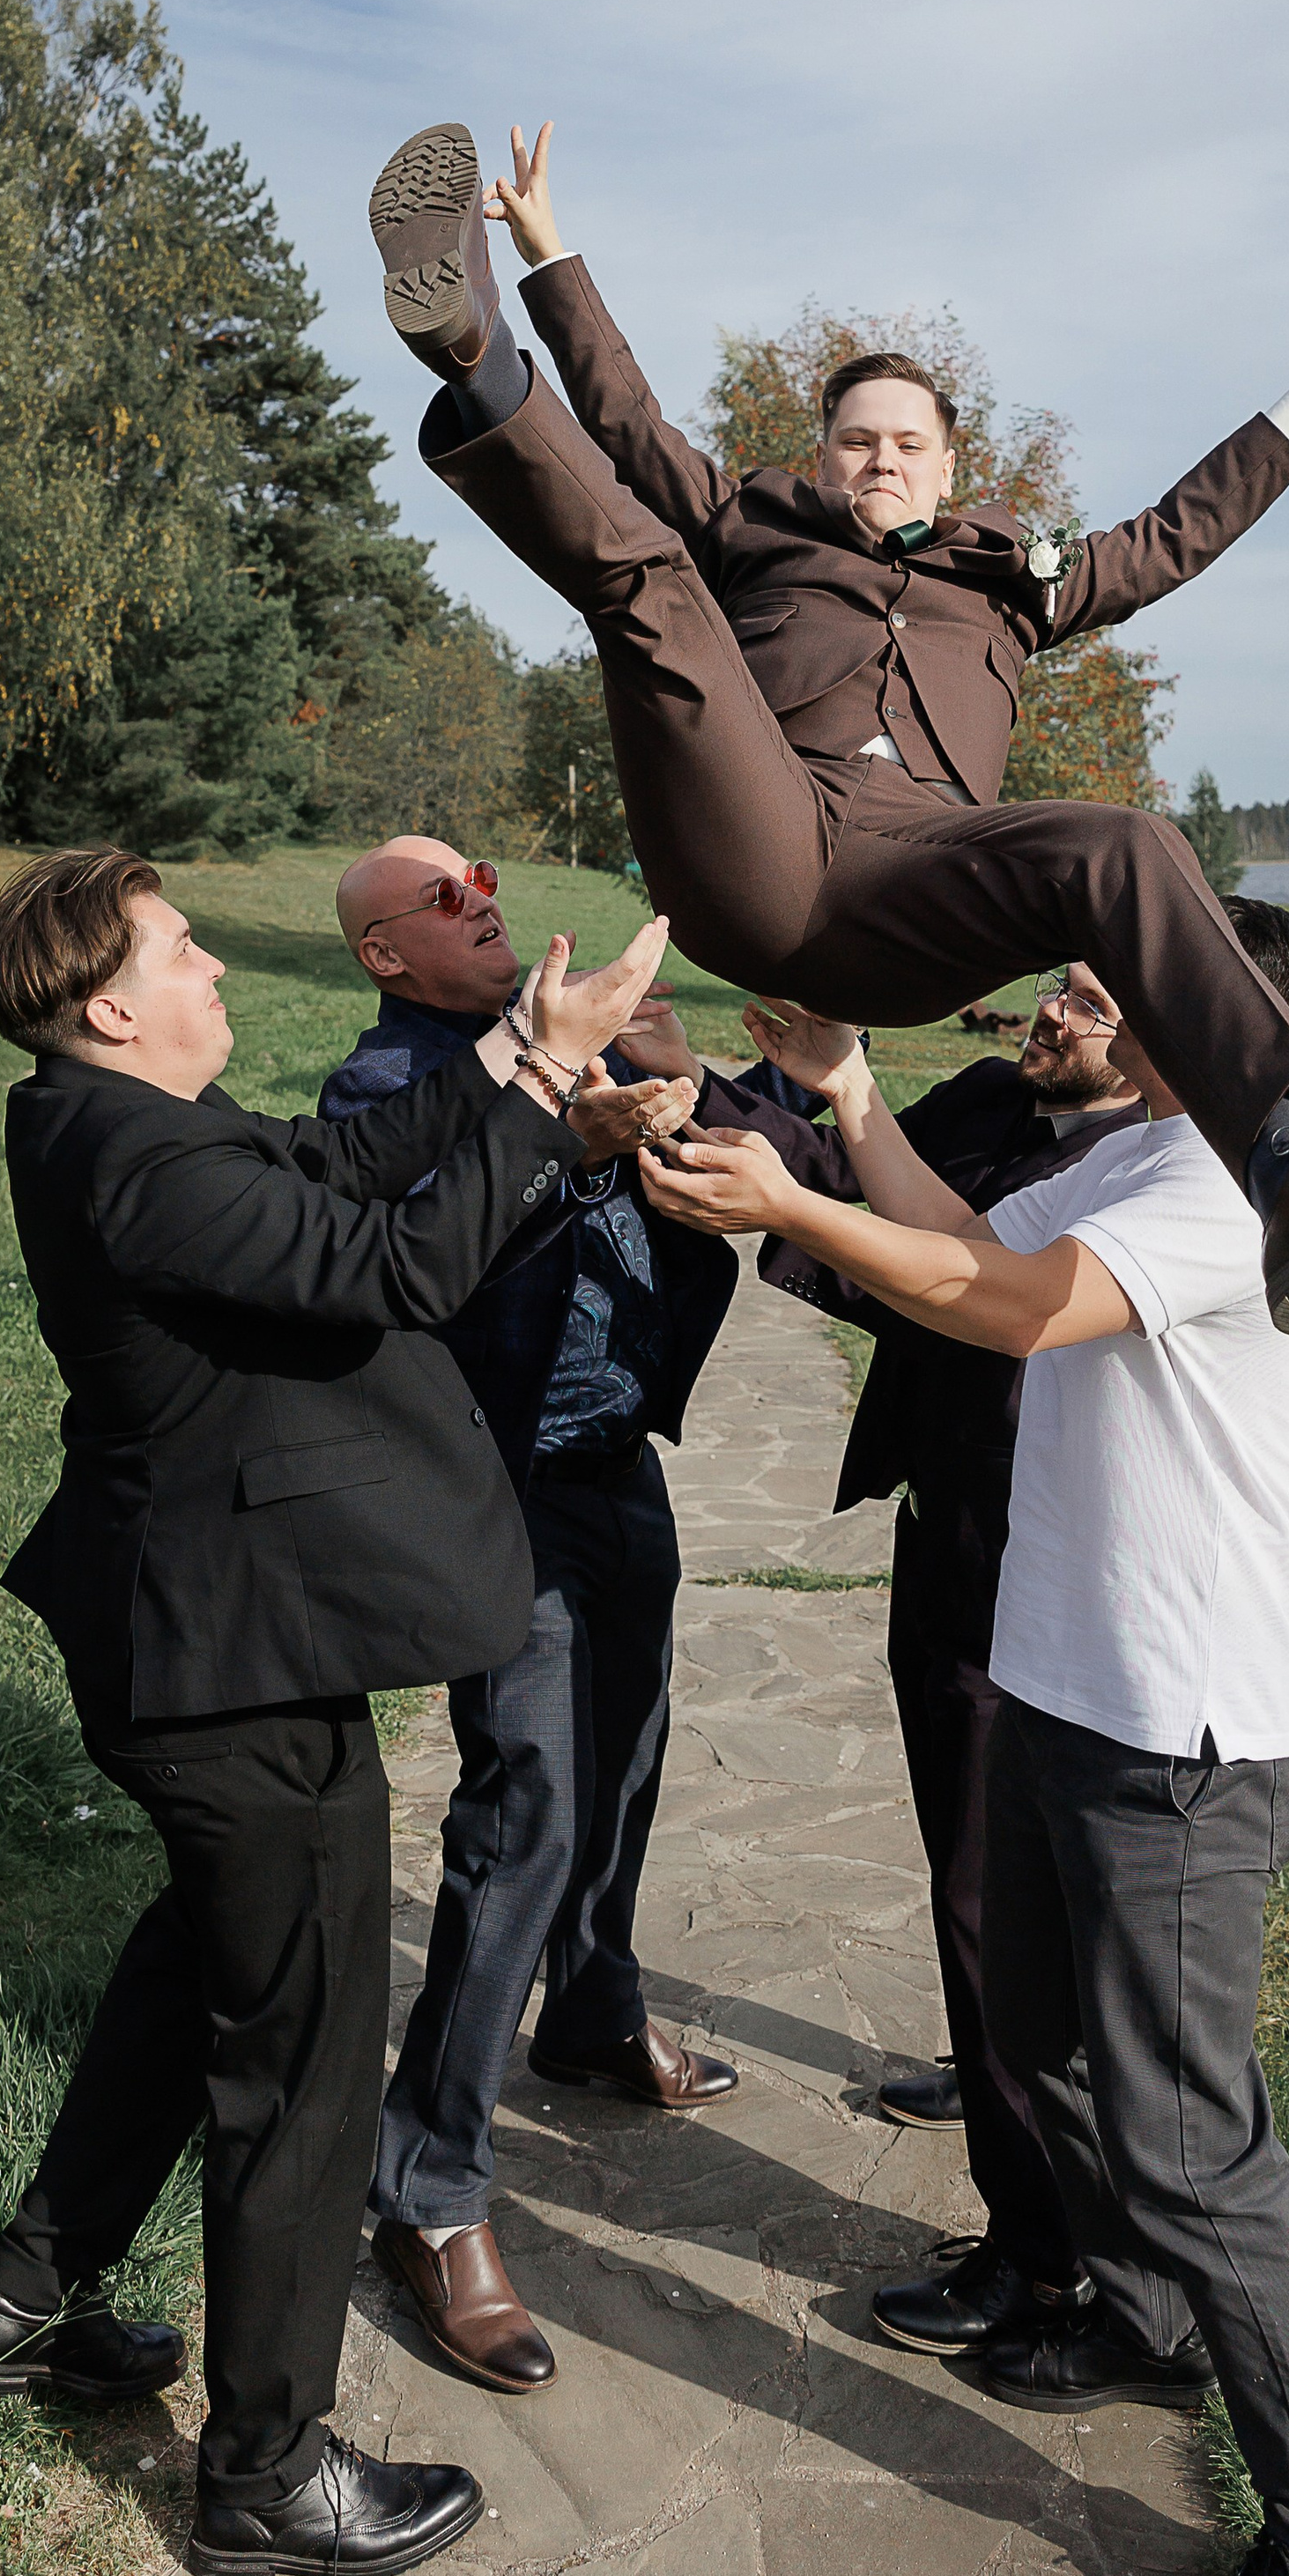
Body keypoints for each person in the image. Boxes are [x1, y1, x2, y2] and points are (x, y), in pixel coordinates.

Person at [363, 116, 1289, 1341]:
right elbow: (628, 426)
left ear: (949, 470)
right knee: (650, 585)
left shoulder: (1019, 581)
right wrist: (549, 259)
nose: (878, 460)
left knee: (1125, 842)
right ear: (823, 457)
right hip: (757, 834)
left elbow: (1177, 534)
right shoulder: (752, 530)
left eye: (906, 444)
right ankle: (468, 350)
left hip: (914, 896)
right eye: (854, 441)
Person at [636, 908, 1289, 2576]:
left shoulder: (1219, 1197)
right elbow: (966, 1240)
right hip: (1062, 1690)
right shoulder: (1137, 1163)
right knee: (1037, 2042)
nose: (1073, 997)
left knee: (1192, 2141)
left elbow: (1017, 1310)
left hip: (1178, 1735)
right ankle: (1133, 2320)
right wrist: (845, 1099)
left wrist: (792, 1195)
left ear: (1216, 1023)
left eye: (1130, 984)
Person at [0, 847, 666, 2576]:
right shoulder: (132, 1157)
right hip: (228, 1669)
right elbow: (389, 1271)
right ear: (108, 1001)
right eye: (184, 953)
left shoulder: (118, 1124)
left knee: (193, 1971)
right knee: (303, 2060)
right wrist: (554, 1086)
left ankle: (21, 2299)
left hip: (194, 1642)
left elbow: (339, 1163)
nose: (216, 975)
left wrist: (512, 1057)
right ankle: (266, 2475)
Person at [619, 952, 1146, 2332]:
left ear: (1165, 1036)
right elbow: (856, 1188)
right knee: (972, 1881)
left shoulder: (1149, 1174)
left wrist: (810, 1160)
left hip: (1042, 1564)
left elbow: (970, 1275)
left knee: (996, 1898)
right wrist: (699, 1091)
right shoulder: (993, 1094)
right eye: (1062, 984)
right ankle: (1005, 2100)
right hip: (955, 1526)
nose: (1052, 1009)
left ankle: (1044, 2250)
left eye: (1093, 1003)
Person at [313, 837, 741, 2397]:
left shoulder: (590, 1056)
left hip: (615, 1458)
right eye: (437, 898)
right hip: (500, 1490)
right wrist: (570, 1131)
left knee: (626, 1757)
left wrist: (679, 1087)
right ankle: (428, 2194)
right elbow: (425, 1241)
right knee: (530, 1809)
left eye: (481, 880)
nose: (476, 899)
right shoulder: (386, 1086)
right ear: (385, 957)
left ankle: (595, 2008)